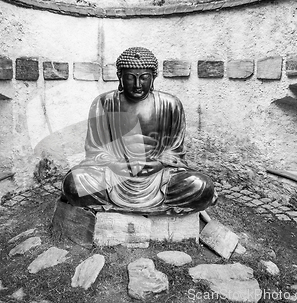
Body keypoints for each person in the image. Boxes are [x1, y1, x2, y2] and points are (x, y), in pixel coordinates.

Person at [61, 47, 216, 215]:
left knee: (201, 186)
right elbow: (95, 150)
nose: (137, 84)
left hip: (158, 176)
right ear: (120, 77)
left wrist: (157, 163)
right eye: (130, 78)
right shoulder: (104, 103)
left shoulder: (171, 105)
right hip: (115, 174)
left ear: (153, 77)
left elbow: (174, 151)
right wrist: (117, 164)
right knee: (73, 184)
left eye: (143, 78)